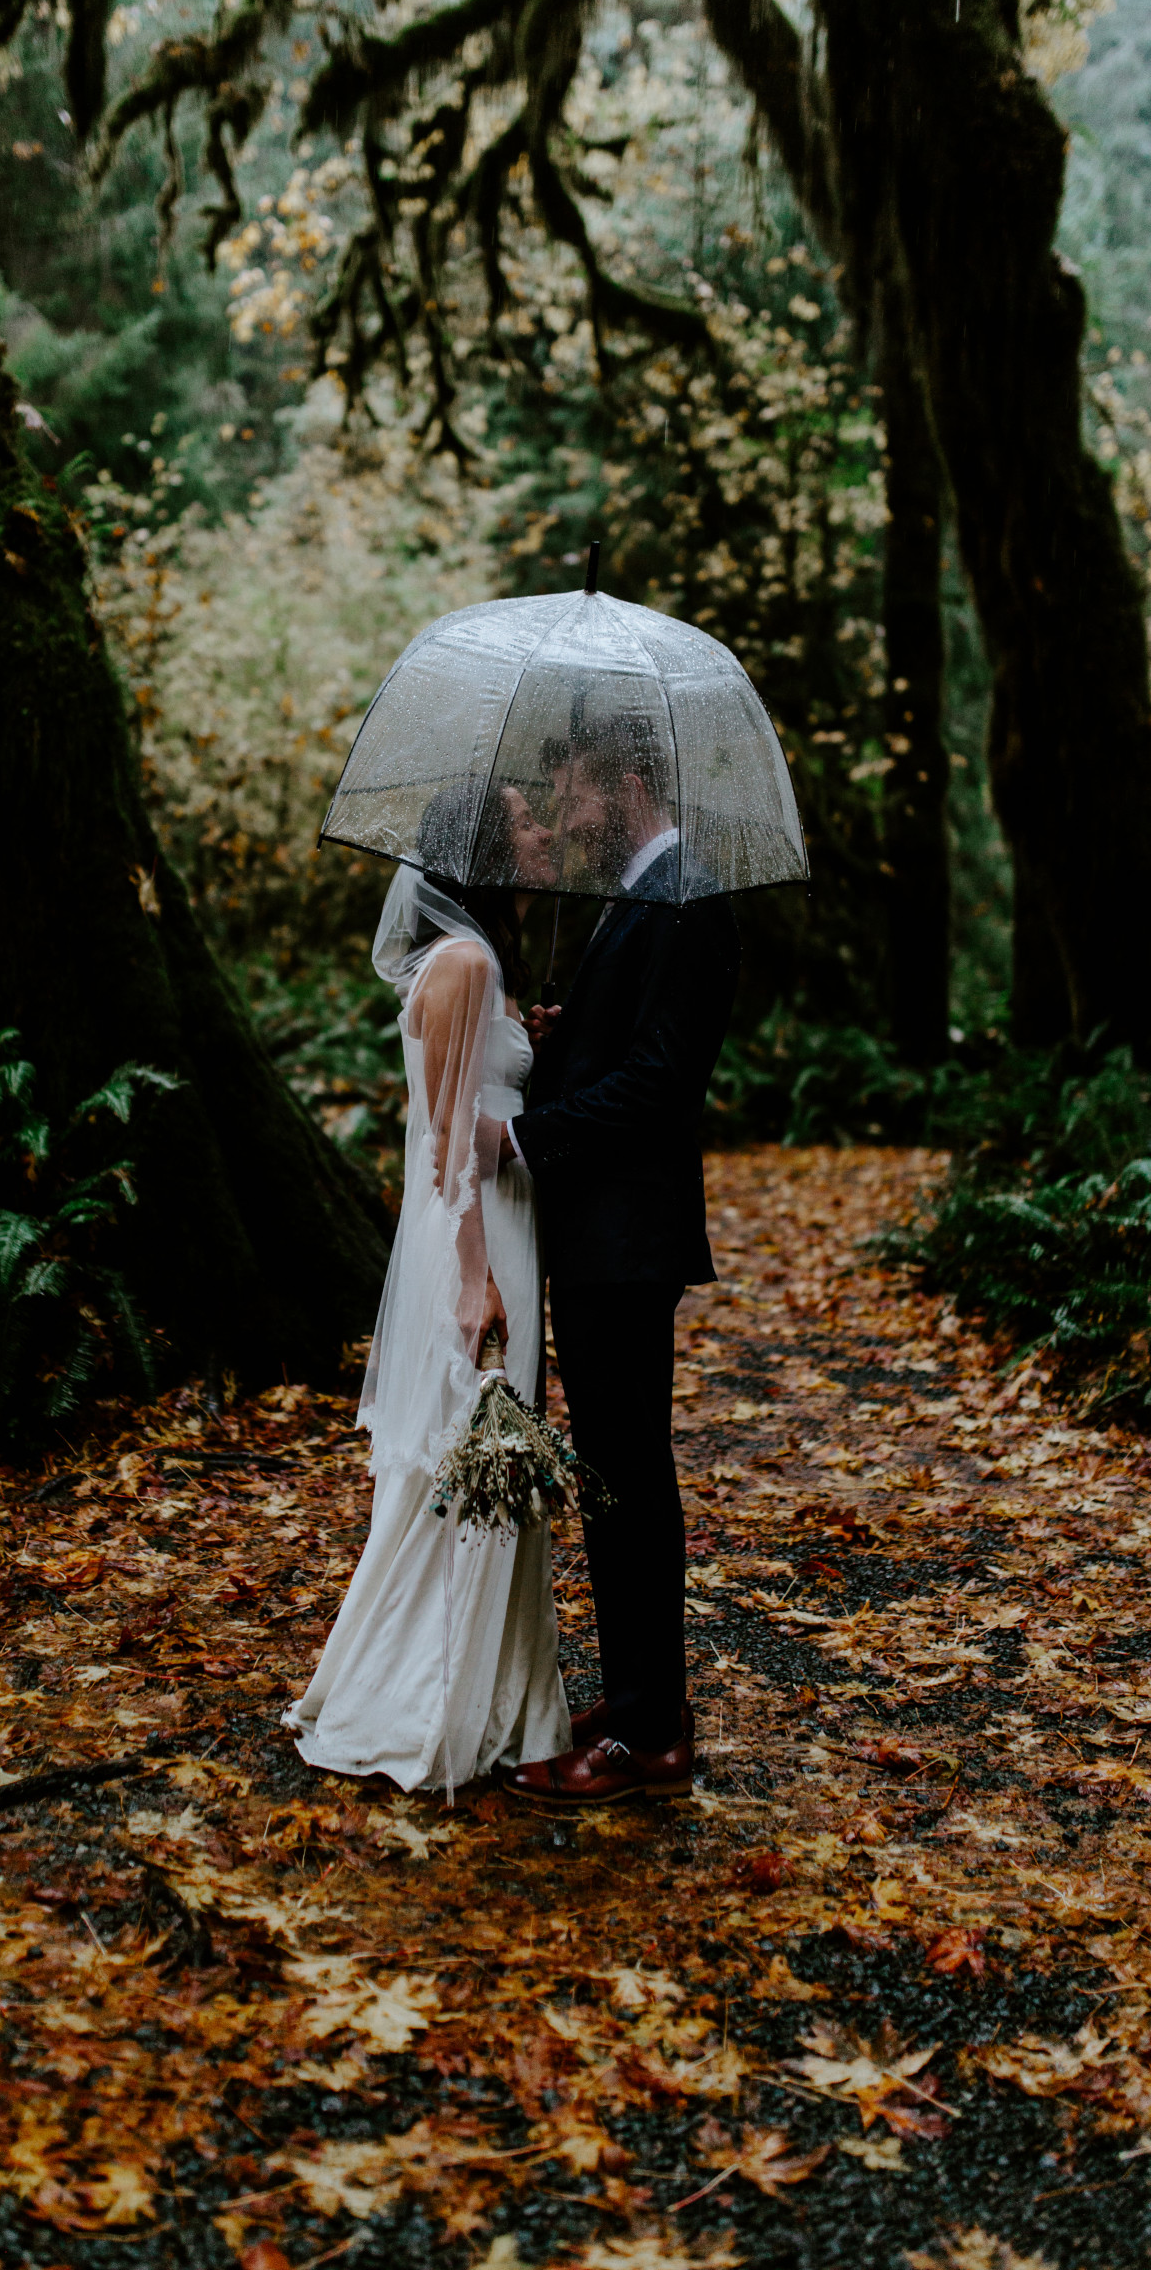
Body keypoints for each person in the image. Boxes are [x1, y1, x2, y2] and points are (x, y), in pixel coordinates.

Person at [283, 779, 571, 1793]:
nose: (544, 831)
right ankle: (438, 1695)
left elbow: (465, 1104)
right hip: (478, 1234)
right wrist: (477, 1282)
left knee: (482, 1456)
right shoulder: (467, 963)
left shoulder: (468, 966)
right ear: (486, 854)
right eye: (527, 822)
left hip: (492, 1225)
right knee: (471, 1453)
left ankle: (491, 1681)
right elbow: (451, 1148)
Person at [496, 710, 741, 1805]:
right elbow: (622, 1049)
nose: (568, 818)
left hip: (626, 1242)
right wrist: (559, 1041)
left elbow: (659, 1081)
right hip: (601, 1237)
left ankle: (651, 1735)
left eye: (580, 794)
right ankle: (643, 1698)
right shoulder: (641, 894)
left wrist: (524, 1133)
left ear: (631, 782)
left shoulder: (684, 895)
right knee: (610, 1480)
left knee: (629, 1480)